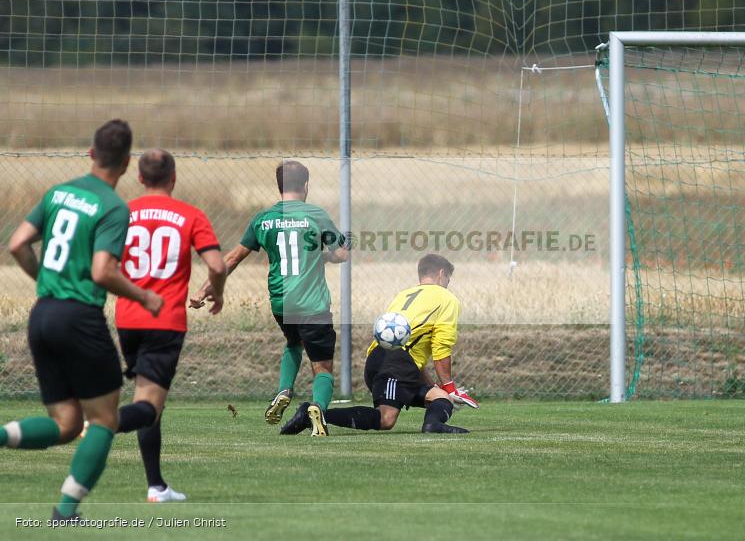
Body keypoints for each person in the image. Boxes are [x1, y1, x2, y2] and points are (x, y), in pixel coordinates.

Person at [1, 120, 163, 521]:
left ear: (91, 154)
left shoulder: (58, 192)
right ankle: (66, 511)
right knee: (105, 419)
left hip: (42, 314)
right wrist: (144, 296)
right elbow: (102, 271)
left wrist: (45, 280)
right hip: (79, 318)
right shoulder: (113, 207)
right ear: (126, 163)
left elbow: (17, 244)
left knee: (67, 424)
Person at [191, 160, 349, 435]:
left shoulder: (263, 219)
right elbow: (341, 255)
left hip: (281, 302)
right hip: (312, 303)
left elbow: (232, 259)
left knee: (293, 342)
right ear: (306, 185)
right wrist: (326, 254)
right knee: (322, 366)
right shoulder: (316, 215)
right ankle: (319, 410)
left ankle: (283, 390)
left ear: (279, 187)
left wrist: (204, 289)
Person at [114, 149, 227, 502]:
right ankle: (100, 422)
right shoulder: (190, 215)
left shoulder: (122, 213)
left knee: (150, 401)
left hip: (127, 318)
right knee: (149, 404)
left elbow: (102, 263)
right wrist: (217, 292)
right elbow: (217, 265)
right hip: (165, 320)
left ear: (140, 178)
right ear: (173, 178)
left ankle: (157, 486)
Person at [281, 254, 478, 436]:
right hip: (395, 364)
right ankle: (311, 414)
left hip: (384, 360)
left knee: (440, 398)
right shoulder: (447, 299)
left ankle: (433, 425)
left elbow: (411, 355)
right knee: (386, 418)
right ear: (442, 274)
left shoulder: (404, 296)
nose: (448, 284)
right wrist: (450, 386)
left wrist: (439, 388)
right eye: (448, 279)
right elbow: (441, 349)